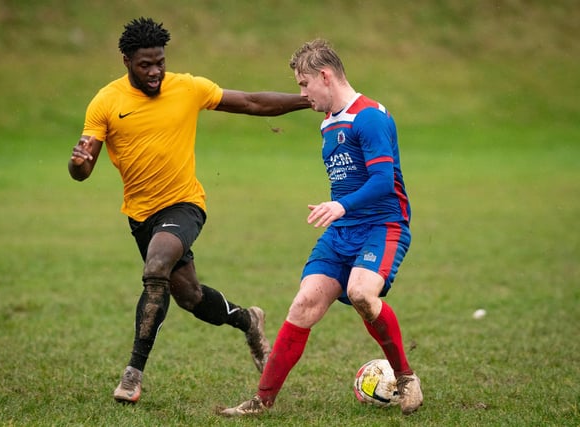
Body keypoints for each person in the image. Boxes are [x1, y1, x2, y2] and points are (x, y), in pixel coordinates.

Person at [68, 17, 310, 404]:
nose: (155, 71)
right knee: (190, 297)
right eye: (145, 64)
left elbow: (250, 101)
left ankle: (133, 374)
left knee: (156, 267)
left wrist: (307, 100)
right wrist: (78, 163)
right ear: (126, 60)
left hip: (184, 205)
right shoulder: (106, 102)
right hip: (140, 214)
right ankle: (249, 321)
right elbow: (82, 167)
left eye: (160, 62)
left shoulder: (187, 87)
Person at [219, 39, 423, 417]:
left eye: (303, 84)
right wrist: (340, 210)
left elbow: (382, 180)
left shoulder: (371, 117)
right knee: (303, 304)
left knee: (362, 294)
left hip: (382, 226)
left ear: (324, 76)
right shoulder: (329, 123)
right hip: (341, 230)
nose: (301, 93)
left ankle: (407, 379)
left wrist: (340, 204)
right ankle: (261, 402)